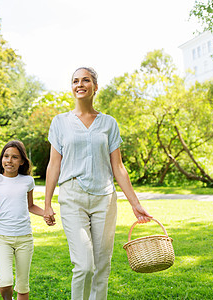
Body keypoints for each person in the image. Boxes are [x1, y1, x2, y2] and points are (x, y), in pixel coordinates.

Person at [43, 67, 152, 300]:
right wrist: (47, 203)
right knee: (84, 265)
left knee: (102, 266)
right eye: (75, 81)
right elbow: (53, 165)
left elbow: (118, 167)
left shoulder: (109, 123)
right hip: (72, 197)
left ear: (95, 86)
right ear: (71, 87)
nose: (79, 84)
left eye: (85, 80)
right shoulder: (60, 122)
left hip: (105, 198)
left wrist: (135, 203)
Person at [0, 140, 45, 300]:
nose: (9, 160)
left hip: (25, 238)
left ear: (22, 161)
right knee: (5, 281)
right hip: (2, 238)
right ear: (1, 159)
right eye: (6, 156)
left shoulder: (27, 181)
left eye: (15, 157)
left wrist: (45, 213)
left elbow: (30, 205)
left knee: (23, 286)